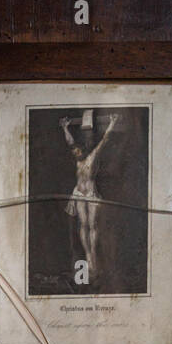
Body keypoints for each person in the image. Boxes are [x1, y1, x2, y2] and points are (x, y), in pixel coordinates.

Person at [60, 112, 119, 283]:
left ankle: (93, 255)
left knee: (93, 225)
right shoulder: (78, 158)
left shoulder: (92, 157)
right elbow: (70, 142)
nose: (76, 153)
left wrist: (112, 123)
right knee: (83, 224)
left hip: (91, 192)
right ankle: (88, 256)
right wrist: (65, 128)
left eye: (78, 151)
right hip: (79, 193)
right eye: (75, 152)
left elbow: (105, 140)